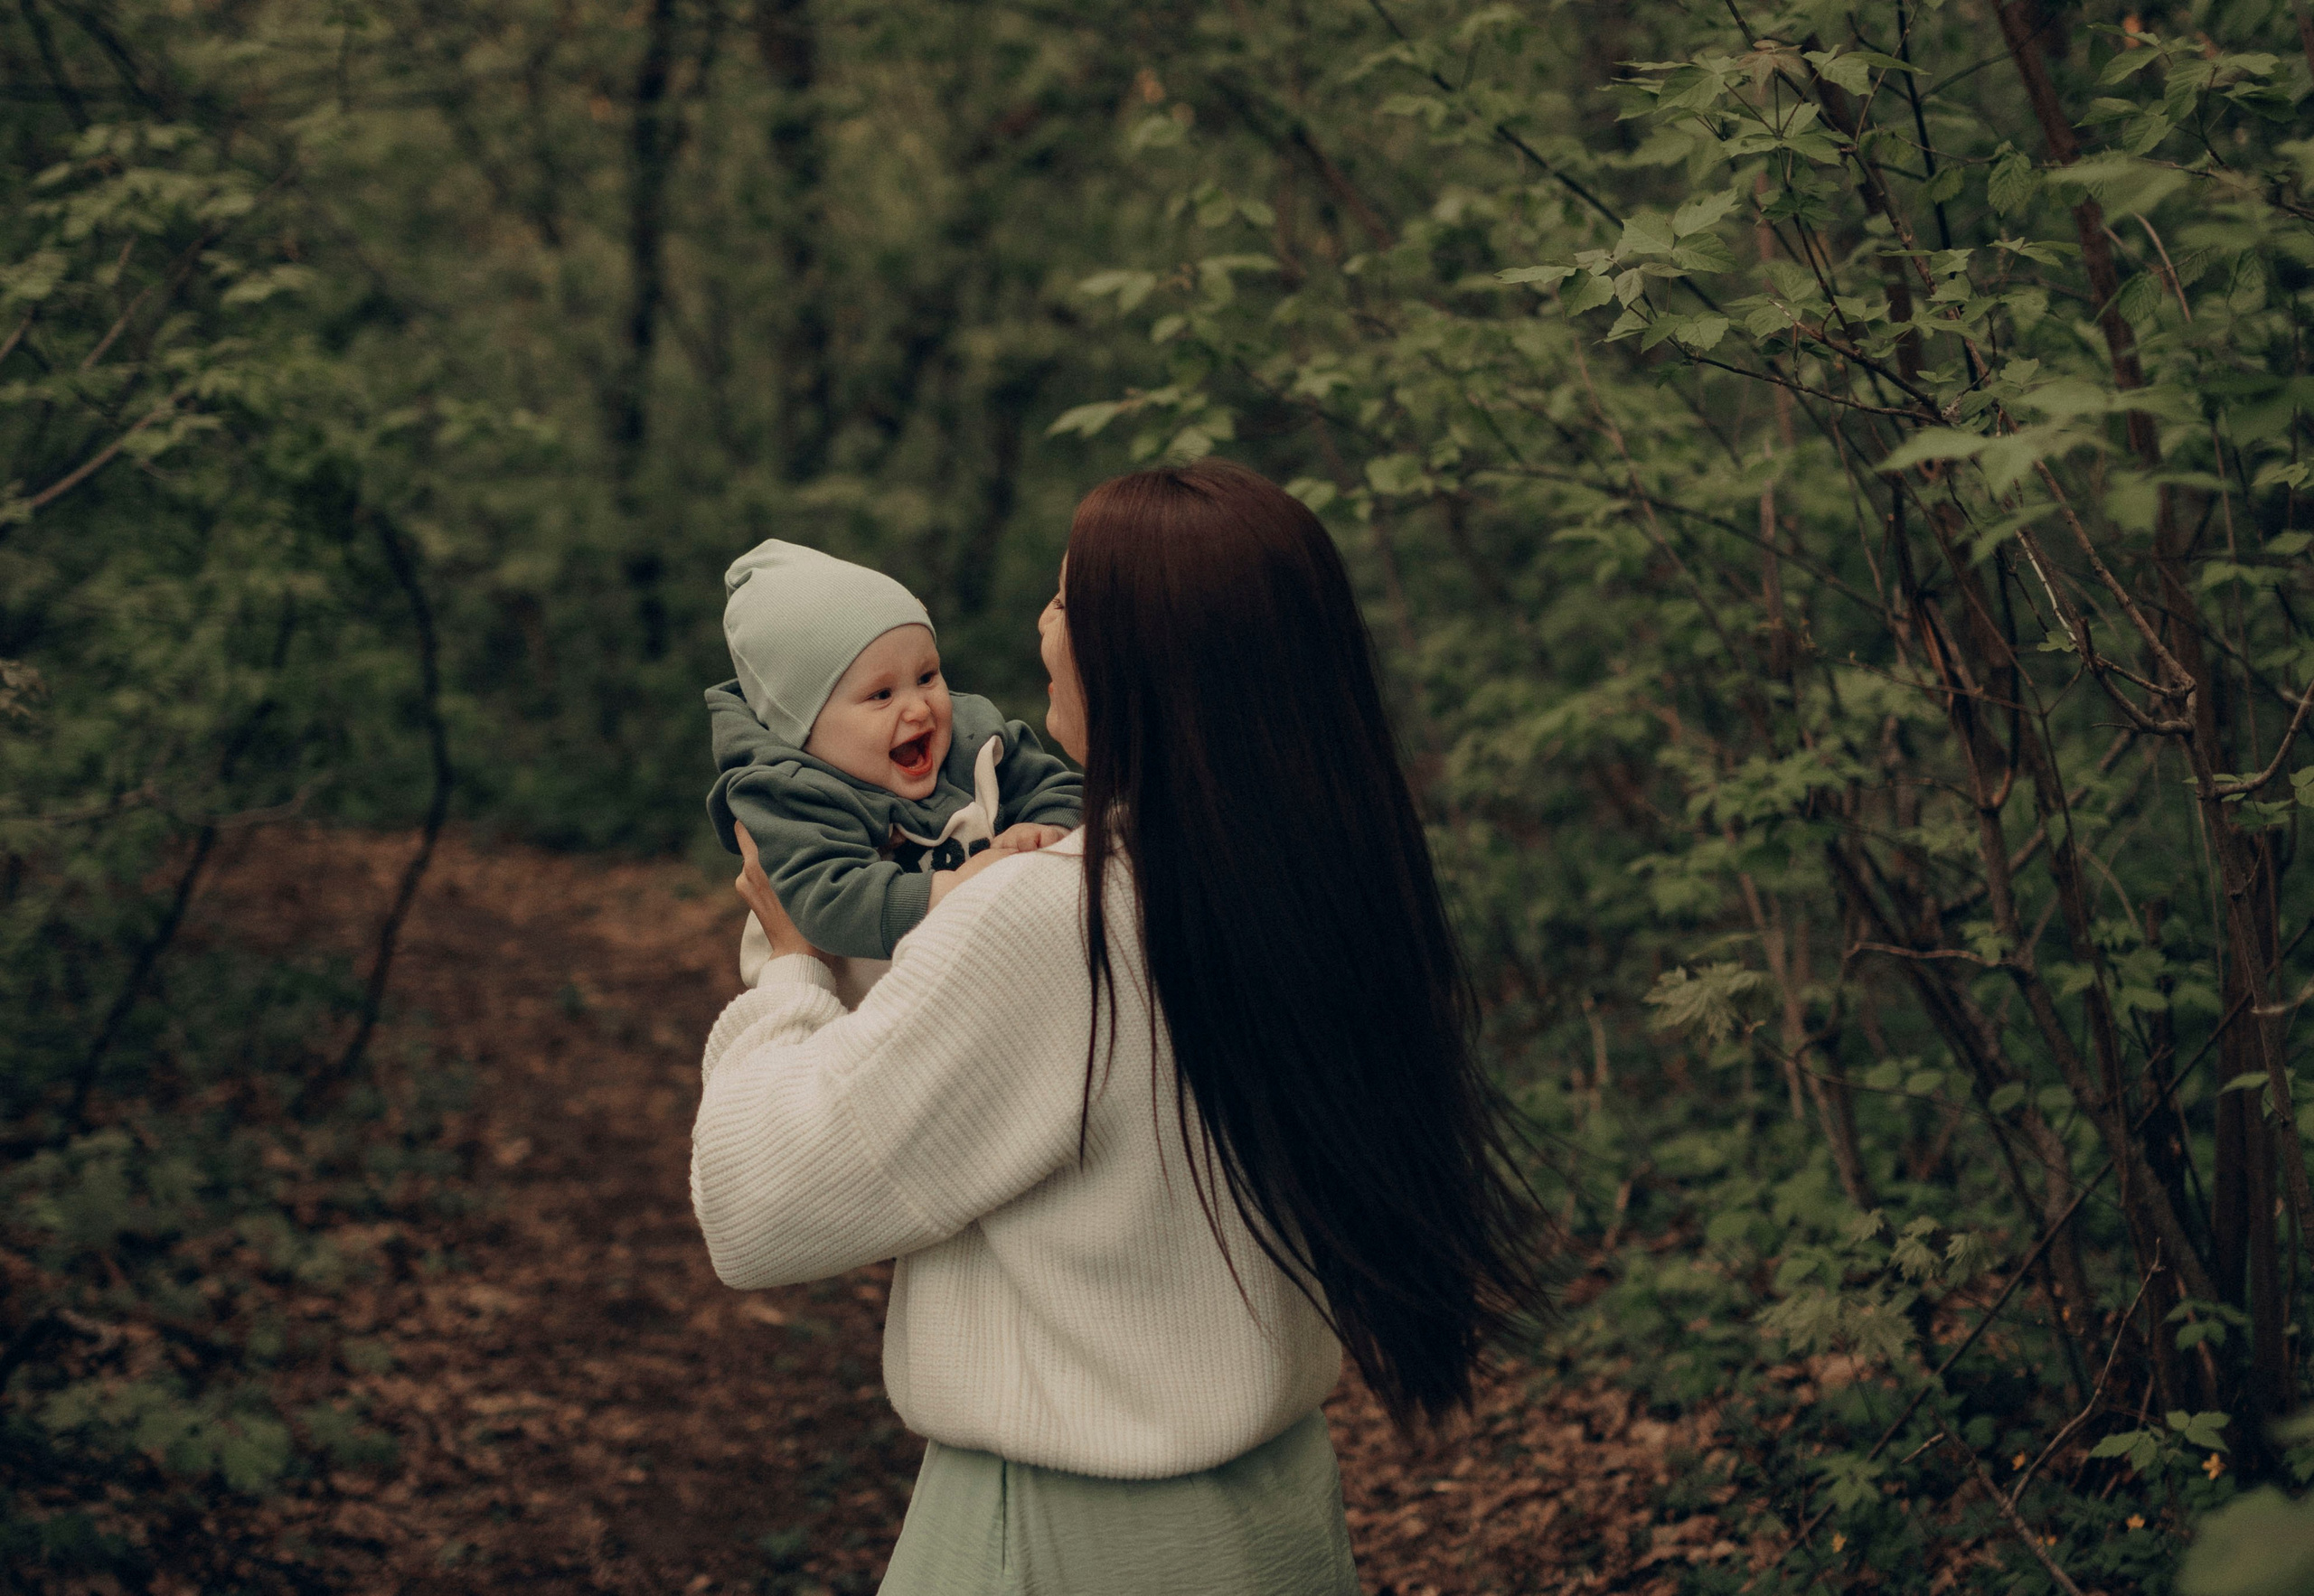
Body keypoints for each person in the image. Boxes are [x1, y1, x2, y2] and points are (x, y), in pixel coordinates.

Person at [690, 459, 1547, 1594]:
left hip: (1066, 1535)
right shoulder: (1300, 877)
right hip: (1277, 1516)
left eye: (1062, 603)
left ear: (1132, 653)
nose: (1042, 632)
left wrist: (791, 966)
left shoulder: (1056, 919)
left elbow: (757, 1205)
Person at [704, 538, 1082, 1001]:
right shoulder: (790, 794)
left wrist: (1044, 825)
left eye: (927, 677)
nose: (919, 709)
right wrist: (957, 887)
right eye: (881, 695)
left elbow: (1063, 790)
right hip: (846, 1021)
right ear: (803, 726)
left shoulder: (974, 739)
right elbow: (828, 901)